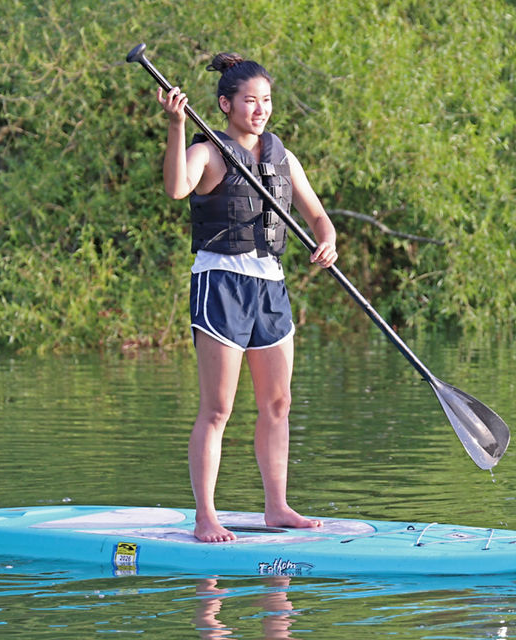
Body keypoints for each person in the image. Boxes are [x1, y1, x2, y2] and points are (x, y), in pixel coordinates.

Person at [156, 52, 338, 542]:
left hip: (270, 285)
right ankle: (205, 516)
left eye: (267, 101)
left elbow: (318, 215)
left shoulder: (282, 156)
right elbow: (176, 188)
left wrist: (328, 240)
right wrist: (175, 125)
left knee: (278, 403)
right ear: (226, 104)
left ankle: (277, 507)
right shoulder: (208, 151)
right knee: (218, 408)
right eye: (250, 102)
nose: (261, 110)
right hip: (221, 283)